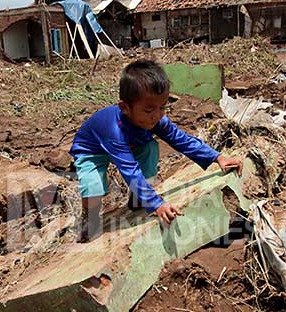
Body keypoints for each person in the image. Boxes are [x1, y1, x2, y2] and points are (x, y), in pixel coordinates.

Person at [70, 59, 242, 242]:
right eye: (149, 109)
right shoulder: (114, 131)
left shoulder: (157, 120)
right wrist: (157, 204)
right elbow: (130, 170)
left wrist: (217, 157)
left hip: (131, 142)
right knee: (93, 185)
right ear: (125, 108)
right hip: (92, 150)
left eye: (162, 107)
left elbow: (182, 140)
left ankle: (138, 200)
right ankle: (90, 223)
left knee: (150, 148)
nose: (157, 115)